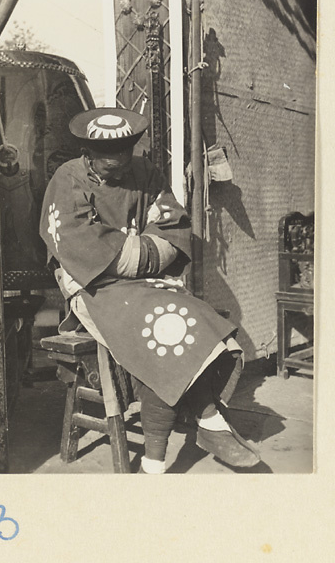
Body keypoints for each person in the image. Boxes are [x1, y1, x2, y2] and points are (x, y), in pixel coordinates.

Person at [39, 107, 260, 473]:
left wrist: (130, 252)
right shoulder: (69, 179)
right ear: (89, 153)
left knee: (197, 316)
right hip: (93, 285)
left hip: (146, 282)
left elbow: (172, 229)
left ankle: (164, 455)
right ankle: (206, 423)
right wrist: (141, 251)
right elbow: (84, 248)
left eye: (126, 152)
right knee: (160, 327)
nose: (121, 163)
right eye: (110, 158)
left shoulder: (145, 170)